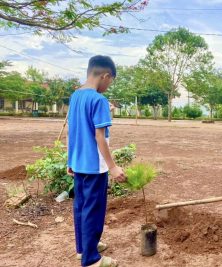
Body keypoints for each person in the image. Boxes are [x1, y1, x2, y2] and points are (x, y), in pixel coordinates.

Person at [67, 55, 126, 267]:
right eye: (110, 81)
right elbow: (99, 136)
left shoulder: (76, 96)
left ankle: (83, 249)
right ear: (105, 75)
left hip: (79, 163)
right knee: (94, 208)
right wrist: (113, 166)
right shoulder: (99, 100)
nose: (108, 85)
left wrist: (70, 159)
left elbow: (73, 130)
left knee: (81, 206)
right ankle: (91, 260)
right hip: (95, 166)